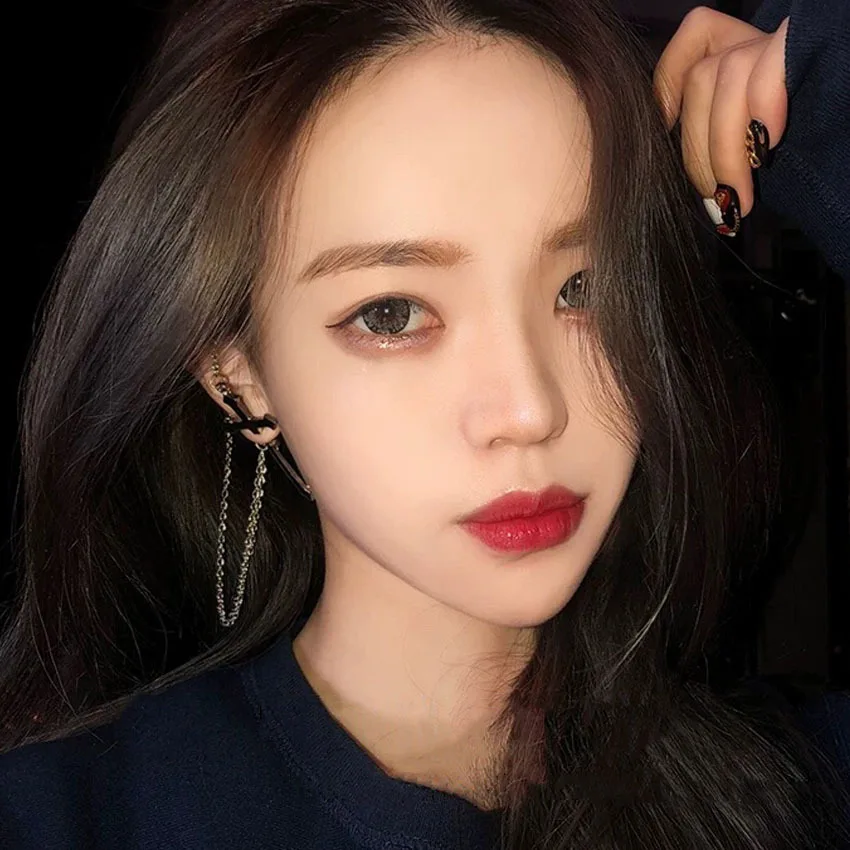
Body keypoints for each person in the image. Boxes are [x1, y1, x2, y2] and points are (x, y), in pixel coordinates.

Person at [1, 0, 847, 848]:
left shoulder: (797, 790)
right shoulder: (59, 817)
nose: (530, 411)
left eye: (585, 290)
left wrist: (821, 95)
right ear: (239, 377)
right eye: (393, 314)